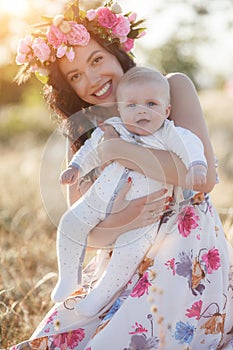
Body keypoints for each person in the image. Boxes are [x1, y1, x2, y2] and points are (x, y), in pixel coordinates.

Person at [11, 1, 233, 349]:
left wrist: (120, 152)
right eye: (76, 76)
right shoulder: (85, 130)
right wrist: (126, 217)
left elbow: (200, 178)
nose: (92, 79)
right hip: (120, 261)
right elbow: (89, 232)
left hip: (184, 253)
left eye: (96, 60)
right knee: (66, 336)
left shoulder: (173, 88)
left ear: (116, 52)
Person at [52, 66, 208, 317]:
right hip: (98, 199)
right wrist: (76, 166)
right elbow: (92, 148)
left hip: (145, 208)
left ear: (166, 110)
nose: (141, 111)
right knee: (69, 223)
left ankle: (102, 294)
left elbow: (190, 144)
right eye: (132, 105)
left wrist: (197, 165)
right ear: (121, 109)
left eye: (151, 104)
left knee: (129, 250)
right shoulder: (115, 126)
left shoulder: (167, 132)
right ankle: (69, 277)